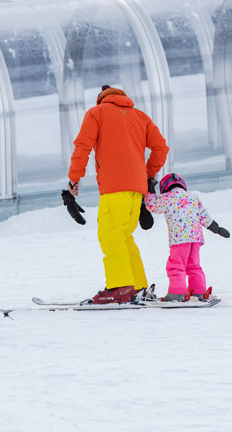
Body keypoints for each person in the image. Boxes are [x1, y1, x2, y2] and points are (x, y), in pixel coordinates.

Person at [68, 85, 169, 304]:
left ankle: (119, 287)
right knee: (124, 236)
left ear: (101, 99)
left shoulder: (96, 113)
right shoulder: (140, 116)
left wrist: (74, 178)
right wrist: (147, 174)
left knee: (111, 236)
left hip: (114, 188)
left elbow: (83, 145)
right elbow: (161, 147)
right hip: (136, 189)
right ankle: (138, 285)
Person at [144, 173, 230, 301]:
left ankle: (177, 293)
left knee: (176, 265)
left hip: (179, 239)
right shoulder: (193, 197)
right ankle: (198, 291)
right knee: (194, 265)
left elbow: (152, 205)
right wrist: (217, 229)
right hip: (195, 239)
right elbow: (204, 216)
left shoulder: (167, 198)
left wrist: (150, 190)